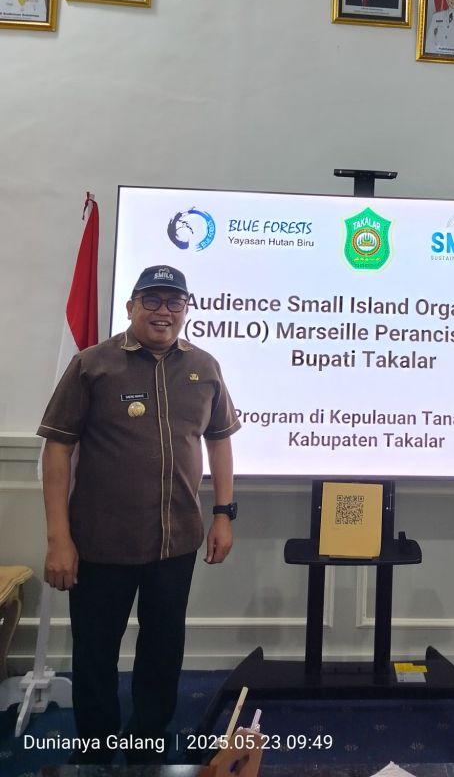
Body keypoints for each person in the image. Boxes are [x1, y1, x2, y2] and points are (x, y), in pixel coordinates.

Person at [39, 265, 240, 763]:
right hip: (100, 543)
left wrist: (223, 513)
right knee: (95, 652)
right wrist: (58, 538)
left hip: (176, 541)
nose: (163, 311)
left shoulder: (205, 367)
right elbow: (58, 449)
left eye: (174, 302)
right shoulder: (92, 365)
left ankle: (147, 740)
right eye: (152, 300)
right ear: (131, 307)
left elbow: (219, 441)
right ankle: (96, 749)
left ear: (186, 309)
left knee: (163, 649)